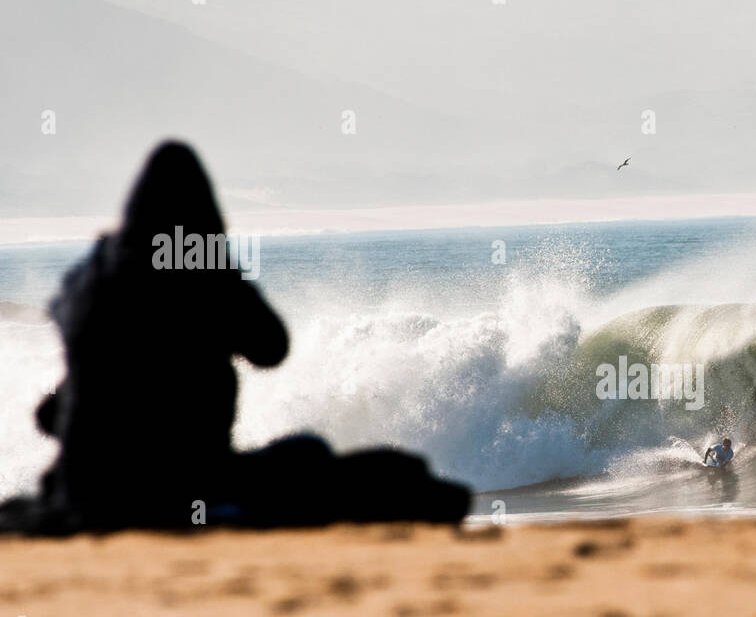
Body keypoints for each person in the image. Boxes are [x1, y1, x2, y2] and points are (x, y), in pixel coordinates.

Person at [0, 140, 469, 533]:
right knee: (321, 457)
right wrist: (221, 268)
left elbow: (54, 411)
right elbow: (271, 346)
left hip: (82, 489)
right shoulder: (201, 271)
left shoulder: (86, 279)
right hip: (181, 489)